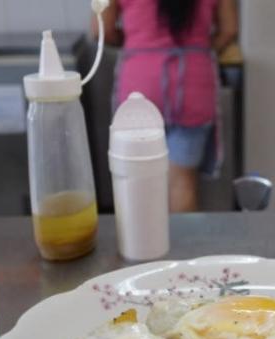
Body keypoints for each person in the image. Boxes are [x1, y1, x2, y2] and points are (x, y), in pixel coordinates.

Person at [93, 0, 238, 212]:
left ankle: (142, 243)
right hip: (191, 82)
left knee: (138, 181)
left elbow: (101, 30)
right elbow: (230, 29)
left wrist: (136, 41)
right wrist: (200, 47)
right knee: (182, 183)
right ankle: (183, 244)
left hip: (140, 84)